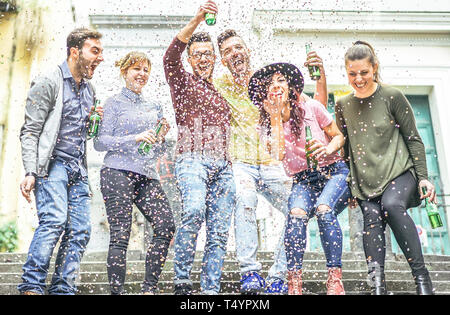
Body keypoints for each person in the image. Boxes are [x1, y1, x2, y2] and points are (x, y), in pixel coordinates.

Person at [214, 30, 329, 294]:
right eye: (228, 51)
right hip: (241, 163)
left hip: (274, 163)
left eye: (238, 47)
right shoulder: (221, 85)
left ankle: (278, 275)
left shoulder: (271, 83)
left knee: (298, 208)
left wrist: (320, 74)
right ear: (223, 60)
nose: (235, 53)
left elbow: (316, 104)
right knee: (245, 200)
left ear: (248, 51)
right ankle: (250, 272)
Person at [335, 41, 436, 295]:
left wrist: (423, 178)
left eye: (364, 72)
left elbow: (414, 138)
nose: (358, 79)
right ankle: (377, 286)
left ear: (374, 68)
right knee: (371, 218)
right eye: (352, 73)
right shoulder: (343, 105)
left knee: (391, 205)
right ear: (346, 72)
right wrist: (349, 184)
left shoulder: (392, 96)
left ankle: (422, 280)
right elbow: (346, 149)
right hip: (365, 181)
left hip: (399, 173)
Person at [248, 63, 351, 295]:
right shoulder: (264, 124)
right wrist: (275, 116)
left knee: (324, 210)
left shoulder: (311, 107)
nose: (276, 86)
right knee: (295, 215)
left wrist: (327, 150)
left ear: (291, 86)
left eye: (281, 80)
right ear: (265, 93)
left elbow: (338, 136)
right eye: (270, 84)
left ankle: (334, 279)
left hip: (333, 171)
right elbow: (278, 154)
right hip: (303, 179)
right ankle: (294, 281)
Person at [18, 28, 104, 295]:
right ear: (75, 52)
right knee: (54, 220)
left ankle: (63, 289)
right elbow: (30, 131)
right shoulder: (48, 81)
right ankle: (31, 285)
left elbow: (85, 136)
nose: (100, 58)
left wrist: (93, 123)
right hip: (52, 165)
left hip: (77, 170)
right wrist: (31, 171)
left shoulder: (89, 90)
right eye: (95, 51)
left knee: (80, 230)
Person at [163, 0, 236, 295]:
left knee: (218, 233)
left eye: (208, 54)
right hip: (191, 160)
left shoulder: (221, 93)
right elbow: (170, 57)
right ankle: (181, 281)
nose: (204, 59)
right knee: (193, 210)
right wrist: (196, 19)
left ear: (215, 59)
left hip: (223, 167)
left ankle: (210, 291)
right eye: (198, 55)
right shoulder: (181, 82)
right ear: (191, 60)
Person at [94, 51, 175, 295]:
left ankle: (148, 289)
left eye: (145, 70)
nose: (141, 74)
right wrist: (134, 138)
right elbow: (100, 142)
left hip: (146, 175)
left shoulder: (154, 106)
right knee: (120, 234)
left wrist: (160, 139)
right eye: (136, 69)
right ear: (124, 72)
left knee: (166, 226)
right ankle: (117, 292)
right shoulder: (113, 103)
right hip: (116, 172)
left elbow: (156, 149)